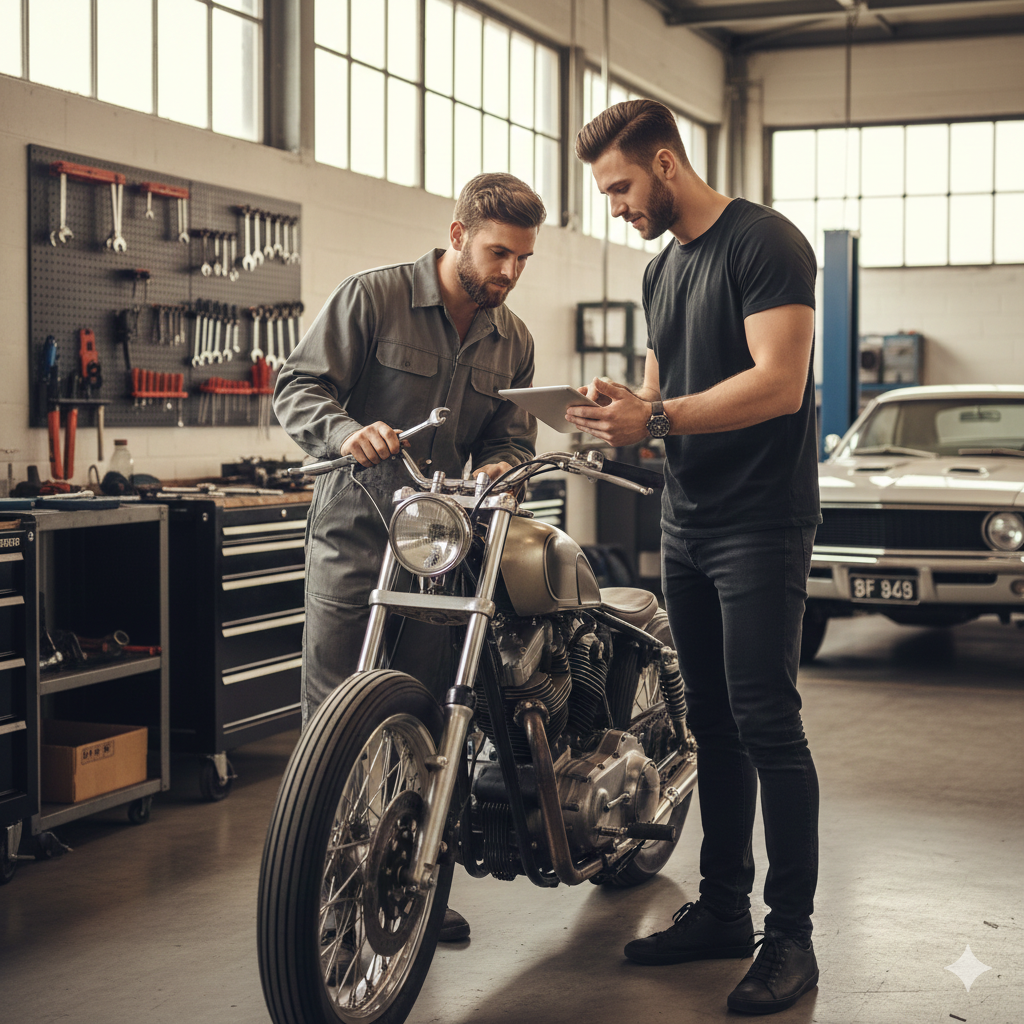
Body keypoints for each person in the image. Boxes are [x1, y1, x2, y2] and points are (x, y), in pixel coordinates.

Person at [567, 99, 821, 1015]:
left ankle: (789, 936)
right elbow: (661, 383)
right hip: (690, 519)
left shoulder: (766, 243)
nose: (616, 205)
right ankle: (722, 908)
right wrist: (621, 404)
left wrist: (658, 419)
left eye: (621, 187)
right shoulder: (659, 267)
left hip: (762, 519)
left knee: (765, 721)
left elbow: (779, 384)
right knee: (709, 723)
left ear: (666, 164)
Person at [274, 172, 546, 942]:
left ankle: (414, 881)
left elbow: (510, 433)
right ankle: (323, 891)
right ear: (457, 234)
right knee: (335, 718)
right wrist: (342, 432)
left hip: (442, 548)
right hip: (356, 541)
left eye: (523, 260)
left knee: (428, 714)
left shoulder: (512, 337)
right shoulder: (372, 297)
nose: (509, 274)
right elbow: (296, 386)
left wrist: (502, 463)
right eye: (499, 254)